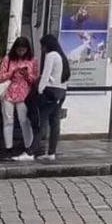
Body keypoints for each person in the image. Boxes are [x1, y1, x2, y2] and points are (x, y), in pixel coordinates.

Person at [29, 34, 70, 162]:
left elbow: (46, 75)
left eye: (42, 46)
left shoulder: (51, 56)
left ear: (46, 45)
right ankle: (51, 152)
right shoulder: (62, 57)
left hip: (50, 91)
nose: (42, 49)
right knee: (55, 123)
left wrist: (40, 90)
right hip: (61, 92)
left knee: (41, 122)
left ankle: (31, 151)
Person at [0, 37, 39, 159]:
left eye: (23, 50)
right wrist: (12, 72)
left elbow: (34, 79)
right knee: (8, 120)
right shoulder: (8, 59)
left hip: (24, 94)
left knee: (24, 120)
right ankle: (8, 148)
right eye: (19, 50)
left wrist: (27, 75)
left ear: (27, 49)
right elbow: (0, 77)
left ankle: (28, 147)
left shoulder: (32, 60)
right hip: (8, 93)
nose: (21, 52)